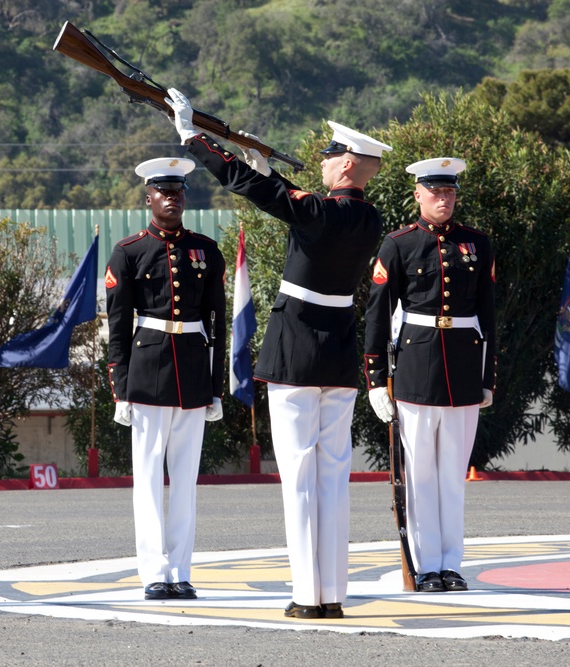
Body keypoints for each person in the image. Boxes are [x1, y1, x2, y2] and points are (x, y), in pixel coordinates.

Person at [164, 89, 390, 619]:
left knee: (298, 475)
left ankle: (307, 597)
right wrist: (269, 171)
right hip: (339, 350)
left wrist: (192, 137)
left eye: (331, 155)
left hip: (295, 349)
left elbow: (255, 191)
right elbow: (304, 208)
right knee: (333, 476)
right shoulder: (370, 218)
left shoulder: (318, 210)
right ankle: (332, 593)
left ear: (348, 164)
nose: (324, 161)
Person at [363, 157, 496, 593]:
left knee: (452, 473)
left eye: (450, 192)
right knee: (419, 473)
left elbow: (488, 315)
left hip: (462, 366)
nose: (444, 199)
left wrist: (487, 377)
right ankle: (424, 565)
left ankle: (450, 564)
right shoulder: (398, 245)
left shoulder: (477, 243)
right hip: (417, 367)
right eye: (436, 192)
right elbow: (377, 316)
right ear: (418, 194)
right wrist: (376, 377)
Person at [105, 157, 226, 601]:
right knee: (149, 480)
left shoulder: (205, 250)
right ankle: (154, 571)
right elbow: (118, 325)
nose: (171, 198)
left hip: (194, 370)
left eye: (178, 191)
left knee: (186, 481)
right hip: (149, 370)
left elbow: (218, 322)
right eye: (163, 191)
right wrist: (120, 387)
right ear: (149, 197)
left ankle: (180, 569)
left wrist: (216, 387)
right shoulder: (130, 251)